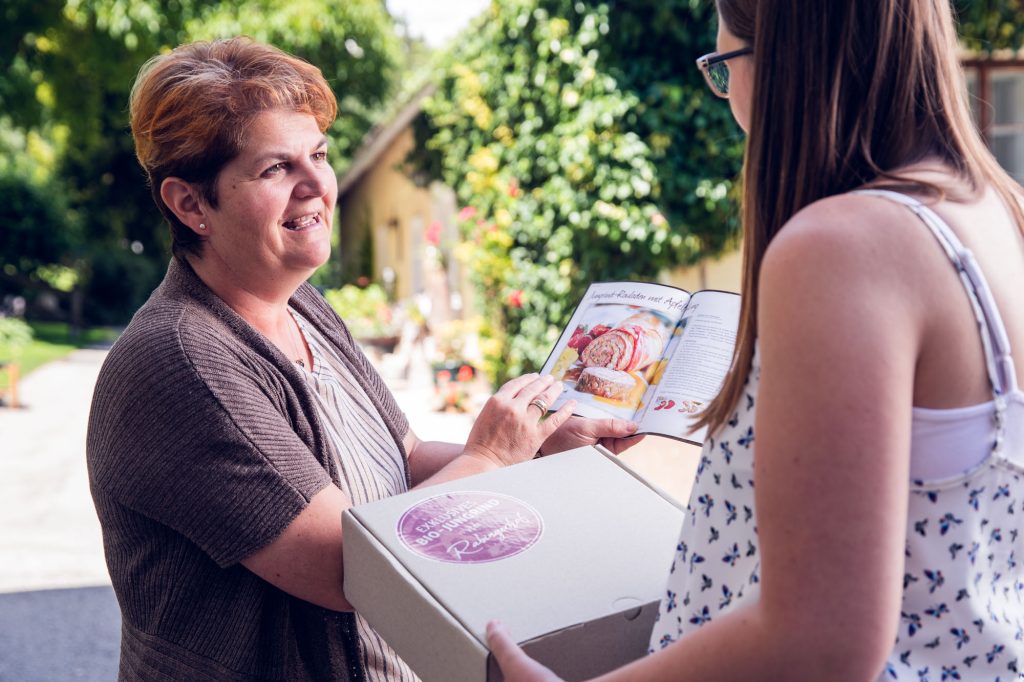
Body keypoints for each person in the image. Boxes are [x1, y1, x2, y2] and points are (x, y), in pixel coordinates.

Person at [487, 0, 1024, 680]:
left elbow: (821, 633)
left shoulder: (844, 247)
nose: (727, 97)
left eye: (723, 66)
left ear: (784, 61)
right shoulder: (996, 209)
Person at [86, 37, 641, 681]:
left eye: (319, 155)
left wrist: (537, 449)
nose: (317, 185)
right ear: (190, 204)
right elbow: (347, 569)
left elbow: (404, 459)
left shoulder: (303, 306)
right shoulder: (182, 362)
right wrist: (490, 459)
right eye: (276, 168)